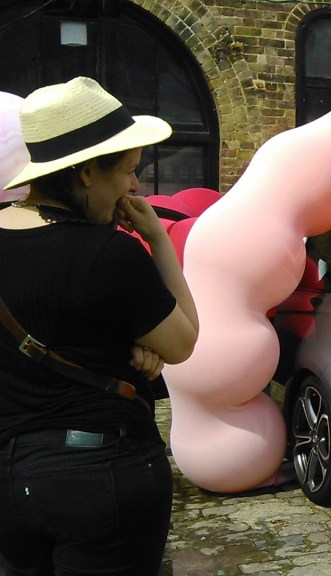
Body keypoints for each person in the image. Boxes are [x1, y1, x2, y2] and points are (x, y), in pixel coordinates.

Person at [0, 77, 199, 575]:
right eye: (129, 171)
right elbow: (183, 342)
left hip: (10, 480)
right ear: (88, 171)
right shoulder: (110, 254)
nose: (136, 188)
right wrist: (158, 240)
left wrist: (126, 341)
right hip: (101, 474)